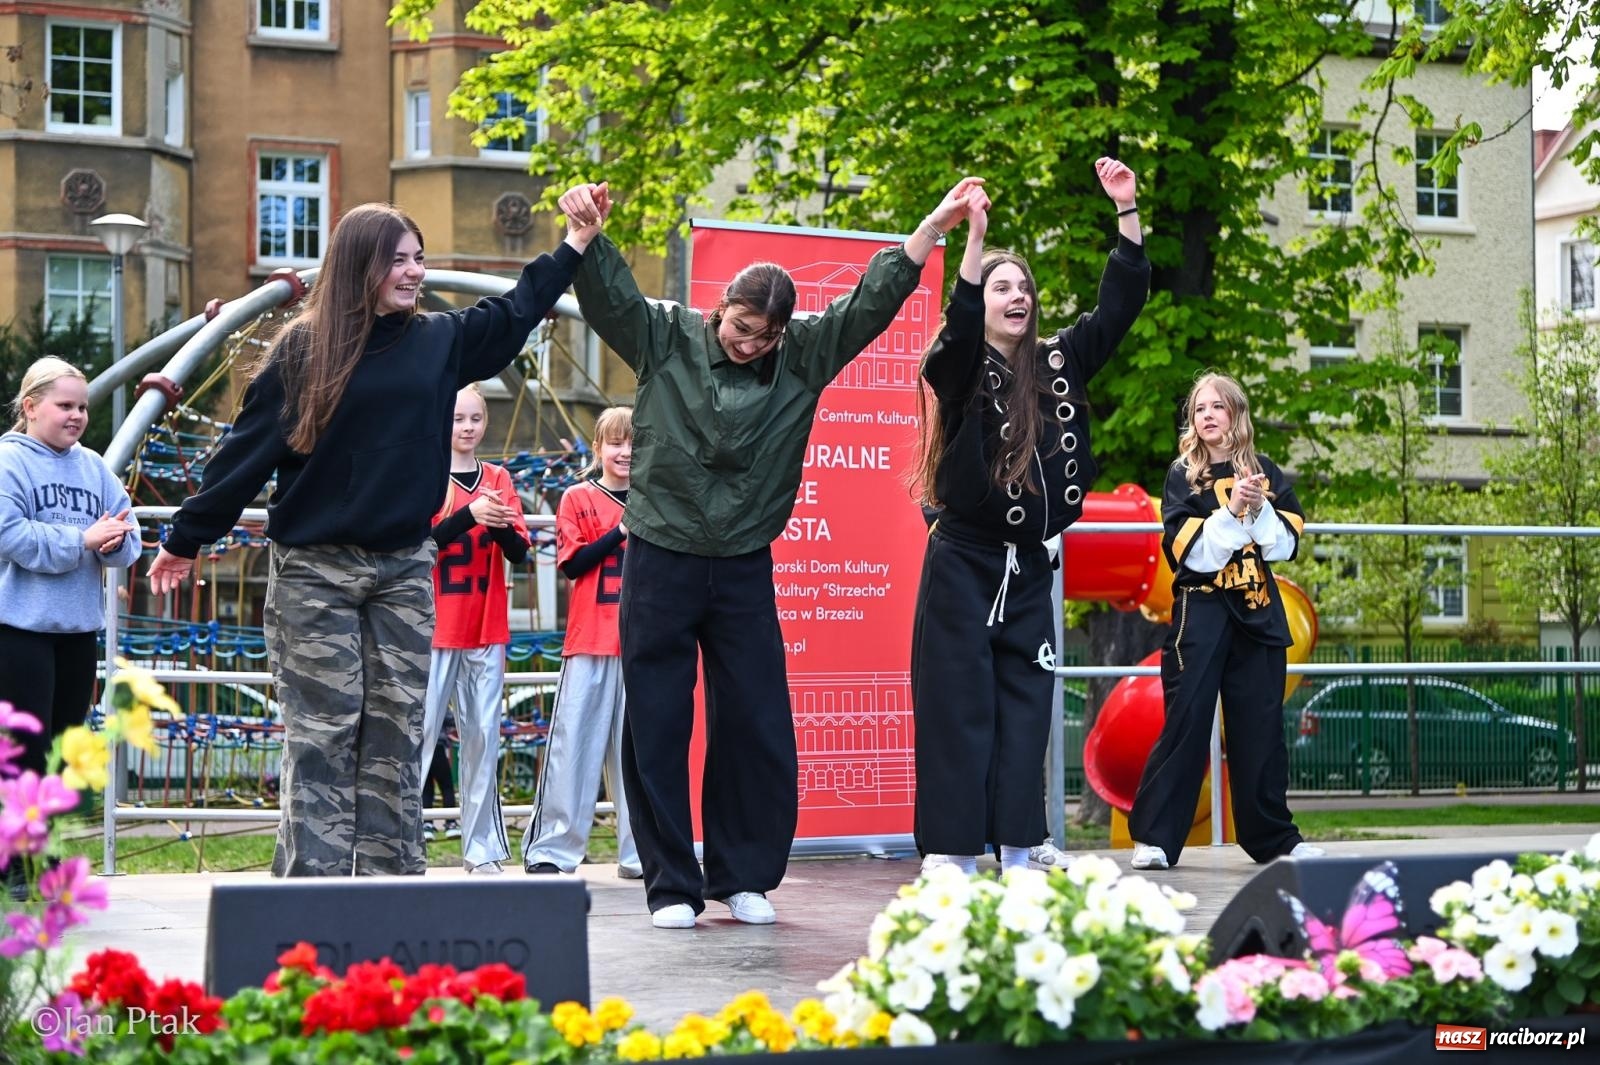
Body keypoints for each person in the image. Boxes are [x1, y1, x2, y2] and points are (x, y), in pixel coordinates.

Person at [558, 177, 980, 928]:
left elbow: (868, 305)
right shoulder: (668, 336)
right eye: (740, 329)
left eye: (763, 337)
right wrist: (590, 234)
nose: (748, 344)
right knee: (657, 718)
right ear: (720, 309)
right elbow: (611, 299)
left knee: (754, 717)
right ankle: (671, 884)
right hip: (661, 552)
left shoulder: (803, 357)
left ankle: (743, 873)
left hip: (744, 562)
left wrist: (930, 228)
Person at [147, 202, 592, 877]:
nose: (415, 271)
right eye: (400, 259)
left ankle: (390, 885)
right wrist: (186, 538)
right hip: (315, 571)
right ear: (361, 266)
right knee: (324, 732)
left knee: (395, 732)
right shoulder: (304, 350)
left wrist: (575, 242)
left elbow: (517, 311)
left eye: (419, 257)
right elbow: (245, 454)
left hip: (403, 569)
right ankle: (315, 893)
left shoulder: (439, 340)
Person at [908, 158, 1149, 876]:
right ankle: (952, 851)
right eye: (1001, 286)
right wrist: (975, 241)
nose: (1016, 295)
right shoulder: (956, 364)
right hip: (962, 561)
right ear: (982, 298)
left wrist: (1126, 211)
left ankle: (1018, 843)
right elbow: (954, 336)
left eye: (1024, 287)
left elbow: (1120, 306)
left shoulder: (1058, 361)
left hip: (1030, 561)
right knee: (957, 709)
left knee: (1023, 708)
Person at [1126, 372, 1323, 870]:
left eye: (1217, 406)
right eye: (1198, 408)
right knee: (1187, 721)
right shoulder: (1181, 477)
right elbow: (1192, 555)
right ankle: (1155, 837)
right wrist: (1234, 511)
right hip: (1202, 613)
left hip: (1258, 609)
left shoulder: (1266, 472)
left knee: (1260, 728)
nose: (1207, 415)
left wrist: (1257, 511)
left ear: (1236, 413)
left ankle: (1275, 839)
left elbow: (1286, 545)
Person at [0, 358, 141, 780]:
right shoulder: (8, 462)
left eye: (82, 407)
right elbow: (9, 536)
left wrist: (114, 541)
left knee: (62, 755)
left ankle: (46, 846)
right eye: (65, 406)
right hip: (18, 632)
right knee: (23, 755)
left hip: (78, 633)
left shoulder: (94, 466)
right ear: (30, 407)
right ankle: (19, 846)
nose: (77, 416)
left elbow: (127, 534)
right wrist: (82, 541)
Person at [522, 405, 641, 880]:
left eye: (634, 442)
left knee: (639, 755)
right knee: (573, 749)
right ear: (598, 448)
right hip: (590, 639)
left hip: (642, 643)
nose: (625, 451)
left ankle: (641, 853)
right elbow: (572, 565)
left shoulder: (658, 496)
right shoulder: (576, 497)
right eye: (615, 442)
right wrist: (621, 532)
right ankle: (554, 849)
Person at [419, 384, 530, 874]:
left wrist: (497, 521)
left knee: (484, 737)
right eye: (458, 417)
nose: (466, 427)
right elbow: (415, 543)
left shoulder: (499, 478)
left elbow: (519, 552)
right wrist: (469, 515)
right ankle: (402, 842)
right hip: (432, 627)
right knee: (418, 734)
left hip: (485, 626)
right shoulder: (423, 475)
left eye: (475, 419)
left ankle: (481, 848)